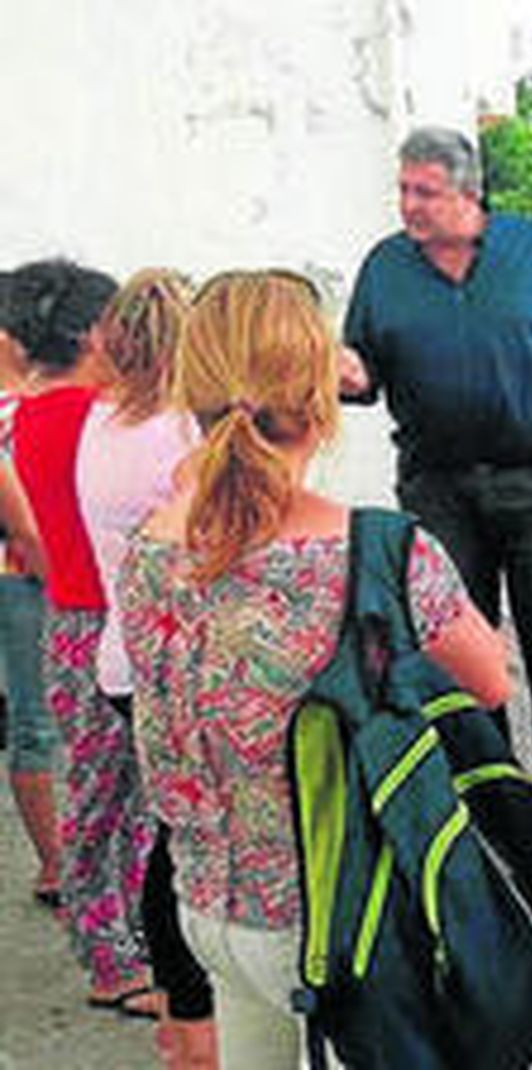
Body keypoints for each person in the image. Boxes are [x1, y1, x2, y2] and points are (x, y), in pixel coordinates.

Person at [121, 272, 510, 1068]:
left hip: (206, 908)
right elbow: (489, 682)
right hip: (333, 916)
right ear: (320, 398)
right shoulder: (380, 553)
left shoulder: (151, 548)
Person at [340, 126, 532, 849]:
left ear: (468, 193)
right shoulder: (385, 268)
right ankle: (493, 795)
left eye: (424, 191)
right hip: (437, 488)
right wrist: (349, 374)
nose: (409, 205)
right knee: (457, 647)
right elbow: (363, 370)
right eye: (403, 189)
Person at [0, 259, 165, 1016]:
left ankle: (121, 942)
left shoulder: (32, 414)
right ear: (95, 333)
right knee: (112, 798)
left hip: (72, 616)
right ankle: (112, 956)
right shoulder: (87, 414)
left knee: (109, 794)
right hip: (104, 615)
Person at [82, 270, 216, 1067]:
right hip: (170, 665)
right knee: (184, 845)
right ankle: (191, 1012)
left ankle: (178, 1008)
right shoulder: (180, 438)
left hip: (120, 655)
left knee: (168, 835)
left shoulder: (102, 423)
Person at [0, 270, 59, 912]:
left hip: (37, 569)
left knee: (37, 720)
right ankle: (53, 862)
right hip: (22, 574)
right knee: (35, 722)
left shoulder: (41, 401)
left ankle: (58, 860)